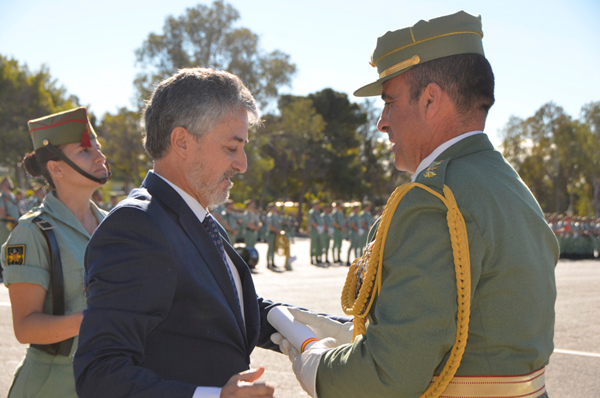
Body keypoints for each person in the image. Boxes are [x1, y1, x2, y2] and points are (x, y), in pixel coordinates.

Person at [281, 11, 557, 398]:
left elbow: (386, 379)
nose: (382, 122)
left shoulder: (433, 202)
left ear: (430, 100)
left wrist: (313, 359)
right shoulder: (512, 187)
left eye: (389, 102)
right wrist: (349, 333)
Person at [73, 68, 280, 398]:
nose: (242, 164)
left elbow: (226, 307)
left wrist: (306, 330)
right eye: (231, 147)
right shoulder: (137, 227)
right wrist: (212, 396)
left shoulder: (192, 216)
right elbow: (99, 375)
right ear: (182, 141)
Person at [1, 106, 109, 398]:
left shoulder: (114, 226)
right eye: (85, 151)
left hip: (105, 377)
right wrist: (101, 318)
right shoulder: (32, 233)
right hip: (52, 384)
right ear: (56, 168)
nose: (100, 156)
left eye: (98, 148)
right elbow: (25, 328)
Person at [0, 176, 21, 246]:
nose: (11, 184)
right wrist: (13, 220)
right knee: (4, 248)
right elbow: (3, 213)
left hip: (14, 226)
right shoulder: (2, 197)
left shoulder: (12, 196)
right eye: (9, 182)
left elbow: (18, 210)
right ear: (3, 185)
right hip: (5, 227)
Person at [265, 202, 283, 270]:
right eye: (274, 207)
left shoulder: (277, 216)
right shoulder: (270, 215)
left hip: (276, 234)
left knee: (274, 248)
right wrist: (276, 230)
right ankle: (268, 262)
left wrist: (279, 230)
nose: (276, 208)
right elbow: (270, 226)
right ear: (271, 208)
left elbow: (279, 224)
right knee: (270, 248)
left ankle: (272, 262)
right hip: (271, 234)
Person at [308, 200, 323, 265]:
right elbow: (312, 221)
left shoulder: (318, 212)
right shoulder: (312, 212)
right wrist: (317, 227)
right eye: (317, 204)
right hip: (314, 230)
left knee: (318, 244)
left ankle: (317, 257)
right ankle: (312, 258)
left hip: (319, 230)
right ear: (314, 205)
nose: (319, 206)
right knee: (313, 244)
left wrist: (321, 227)